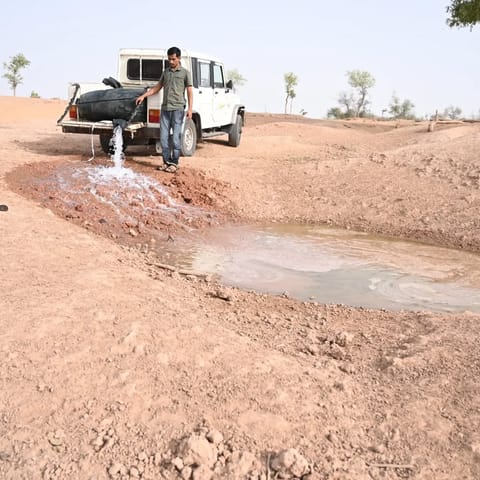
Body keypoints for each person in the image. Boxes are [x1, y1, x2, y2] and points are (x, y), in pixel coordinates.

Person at [136, 46, 193, 173]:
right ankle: (166, 162)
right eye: (169, 59)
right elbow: (157, 87)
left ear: (179, 58)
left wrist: (190, 109)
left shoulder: (185, 73)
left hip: (178, 109)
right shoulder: (166, 72)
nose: (171, 62)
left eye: (173, 59)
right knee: (163, 137)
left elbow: (189, 90)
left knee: (176, 137)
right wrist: (143, 96)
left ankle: (174, 163)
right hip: (165, 110)